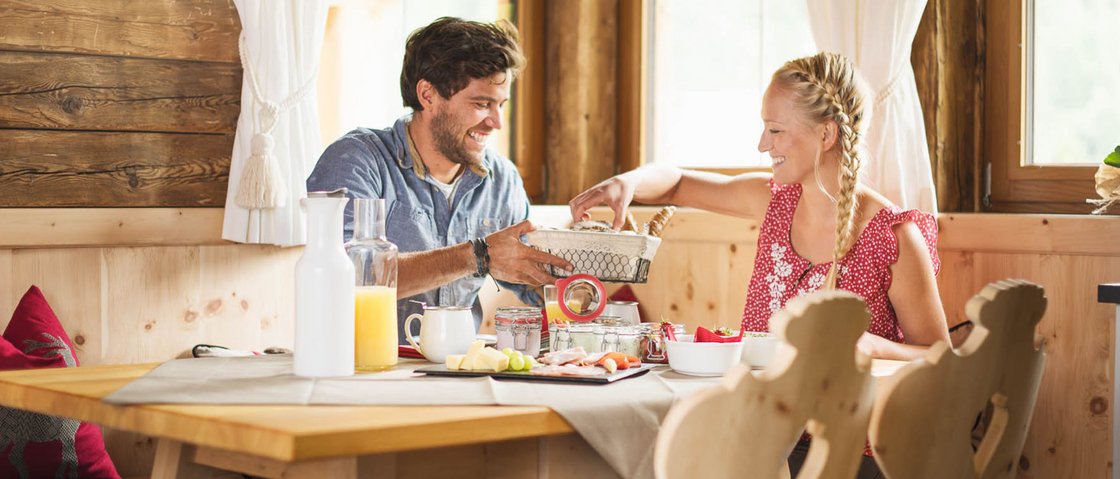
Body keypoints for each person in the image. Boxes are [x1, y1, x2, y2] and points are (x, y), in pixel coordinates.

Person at [569, 52, 949, 478]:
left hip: (856, 457)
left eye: (776, 130)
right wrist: (630, 181)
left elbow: (940, 357)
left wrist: (873, 346)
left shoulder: (894, 236)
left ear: (826, 134)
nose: (762, 144)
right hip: (763, 440)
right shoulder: (772, 201)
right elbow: (677, 184)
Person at [307, 17, 571, 343]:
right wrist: (477, 256)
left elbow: (536, 282)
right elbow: (344, 277)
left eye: (501, 105)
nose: (497, 122)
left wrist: (582, 273)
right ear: (428, 95)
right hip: (362, 366)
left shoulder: (502, 180)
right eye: (482, 104)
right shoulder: (356, 161)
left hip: (460, 365)